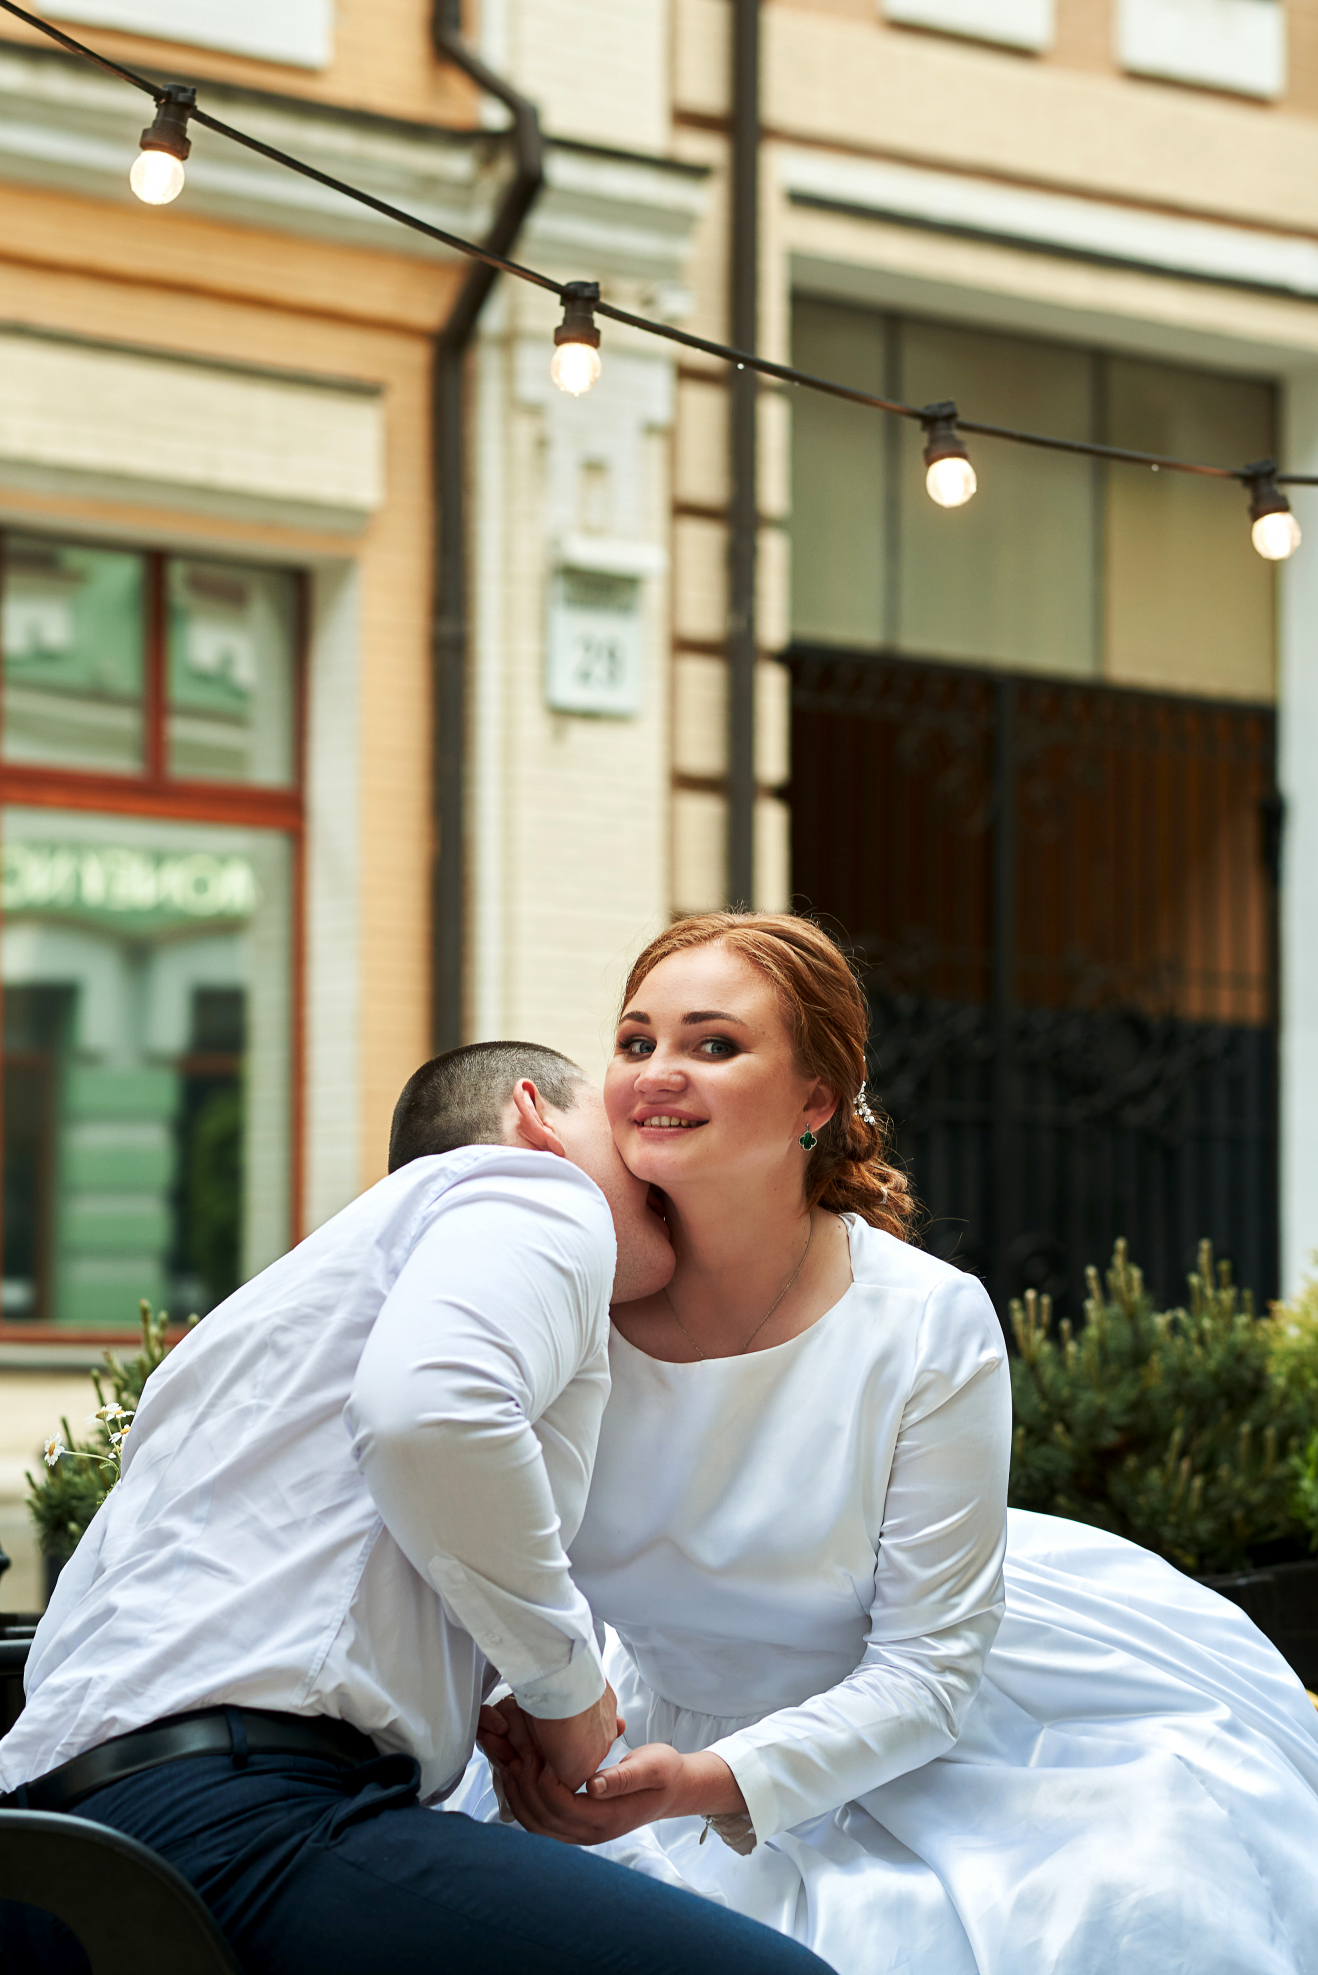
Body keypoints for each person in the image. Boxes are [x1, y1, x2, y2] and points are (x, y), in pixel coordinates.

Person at [469, 917, 1318, 1975]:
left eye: (713, 1043)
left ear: (815, 1102)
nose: (657, 1071)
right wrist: (535, 1721)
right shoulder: (569, 1305)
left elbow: (926, 1671)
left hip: (917, 1733)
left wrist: (702, 1783)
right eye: (636, 1041)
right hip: (633, 1730)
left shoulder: (926, 1320)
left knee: (1115, 1903)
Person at [0, 1039, 831, 1975]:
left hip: (55, 1857)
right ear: (535, 1118)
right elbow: (428, 1414)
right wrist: (565, 1692)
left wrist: (520, 1725)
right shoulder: (536, 1189)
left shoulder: (271, 1326)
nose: (654, 1160)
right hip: (236, 1821)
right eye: (620, 1126)